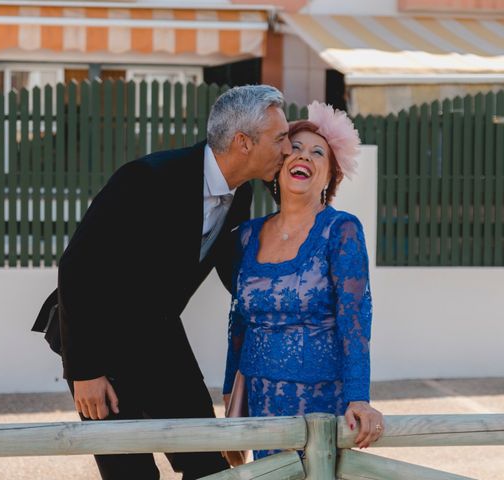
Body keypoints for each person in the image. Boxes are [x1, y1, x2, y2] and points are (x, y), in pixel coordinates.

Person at [51, 85, 292, 479]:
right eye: (280, 138)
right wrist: (85, 371)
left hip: (160, 337)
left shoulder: (242, 194)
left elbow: (233, 270)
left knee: (207, 463)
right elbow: (77, 267)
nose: (287, 148)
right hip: (99, 341)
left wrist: (280, 306)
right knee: (130, 473)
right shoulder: (148, 178)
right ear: (243, 142)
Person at [223, 101, 384, 462]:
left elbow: (355, 319)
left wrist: (359, 398)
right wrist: (230, 395)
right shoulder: (247, 235)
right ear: (279, 167)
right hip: (262, 401)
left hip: (321, 405)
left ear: (329, 176)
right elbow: (238, 322)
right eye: (294, 149)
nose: (304, 157)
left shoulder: (340, 230)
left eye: (317, 153)